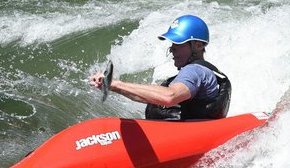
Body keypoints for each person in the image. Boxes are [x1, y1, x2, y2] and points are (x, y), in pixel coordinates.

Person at [90, 15, 231, 120]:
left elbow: (169, 97)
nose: (172, 49)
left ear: (198, 45)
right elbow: (149, 98)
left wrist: (115, 83)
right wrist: (114, 86)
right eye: (172, 44)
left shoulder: (194, 71)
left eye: (178, 43)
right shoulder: (204, 71)